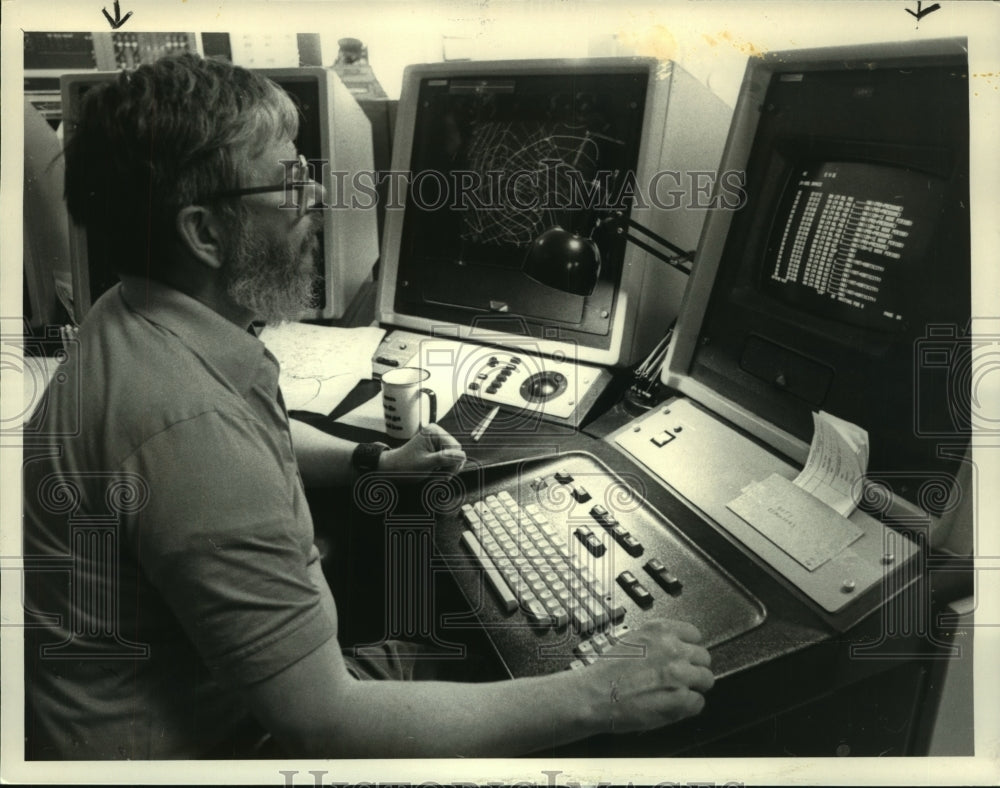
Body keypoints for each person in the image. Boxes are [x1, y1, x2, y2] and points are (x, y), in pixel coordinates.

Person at [22, 53, 714, 760]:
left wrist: (373, 460)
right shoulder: (188, 429)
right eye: (289, 181)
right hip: (216, 752)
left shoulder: (136, 315)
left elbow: (258, 436)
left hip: (162, 717)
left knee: (458, 647)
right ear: (204, 233)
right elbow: (325, 722)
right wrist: (604, 692)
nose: (315, 196)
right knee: (516, 673)